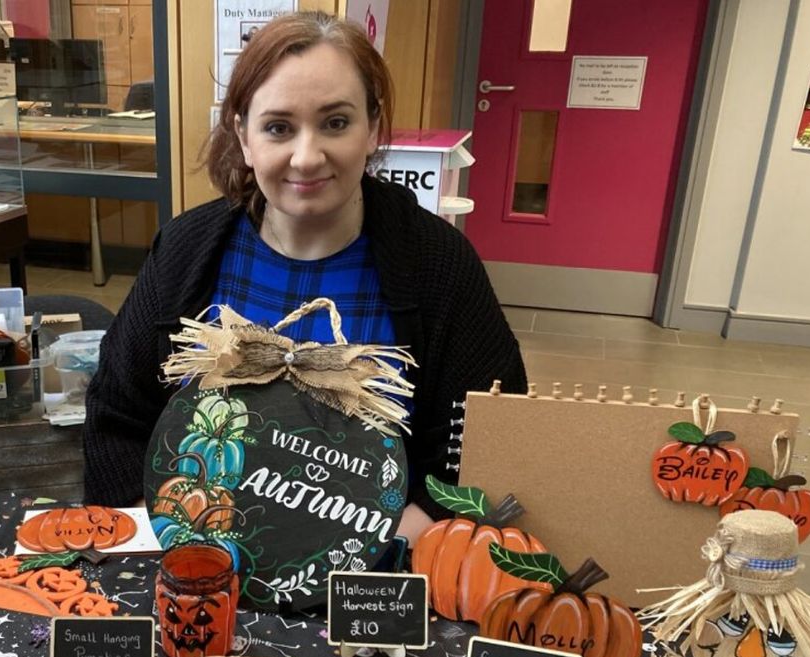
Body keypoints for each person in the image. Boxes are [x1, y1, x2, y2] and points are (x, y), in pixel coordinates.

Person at [83, 11, 526, 544]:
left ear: (373, 129)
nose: (307, 156)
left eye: (336, 122)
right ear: (244, 137)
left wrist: (418, 528)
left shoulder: (438, 264)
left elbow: (485, 437)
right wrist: (155, 529)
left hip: (375, 573)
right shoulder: (185, 251)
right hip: (197, 563)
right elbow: (115, 412)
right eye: (278, 127)